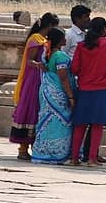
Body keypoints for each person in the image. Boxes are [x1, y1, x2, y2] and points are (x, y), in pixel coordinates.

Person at [69, 17, 106, 167]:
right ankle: (92, 158)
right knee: (97, 125)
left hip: (84, 89)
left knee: (80, 124)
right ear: (104, 29)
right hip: (103, 90)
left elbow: (74, 68)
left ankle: (74, 158)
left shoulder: (81, 46)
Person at [10, 12, 59, 160]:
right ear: (49, 26)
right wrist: (39, 65)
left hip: (43, 78)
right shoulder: (35, 39)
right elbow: (30, 60)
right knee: (30, 109)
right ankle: (23, 148)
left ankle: (35, 146)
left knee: (39, 110)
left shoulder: (45, 40)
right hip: (33, 79)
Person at [31, 28, 75, 164]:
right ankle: (56, 153)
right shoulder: (60, 56)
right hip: (58, 94)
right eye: (63, 37)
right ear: (60, 40)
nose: (66, 39)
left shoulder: (48, 55)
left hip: (47, 92)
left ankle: (42, 152)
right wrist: (71, 96)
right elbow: (63, 78)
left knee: (48, 121)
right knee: (60, 122)